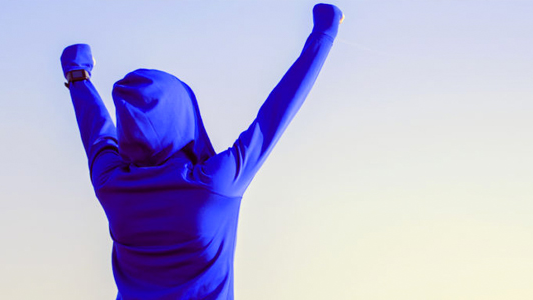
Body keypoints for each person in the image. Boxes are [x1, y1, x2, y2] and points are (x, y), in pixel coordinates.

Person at [59, 4, 342, 299]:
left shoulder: (111, 183)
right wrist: (323, 34)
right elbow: (276, 113)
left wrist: (77, 76)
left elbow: (98, 132)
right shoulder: (213, 184)